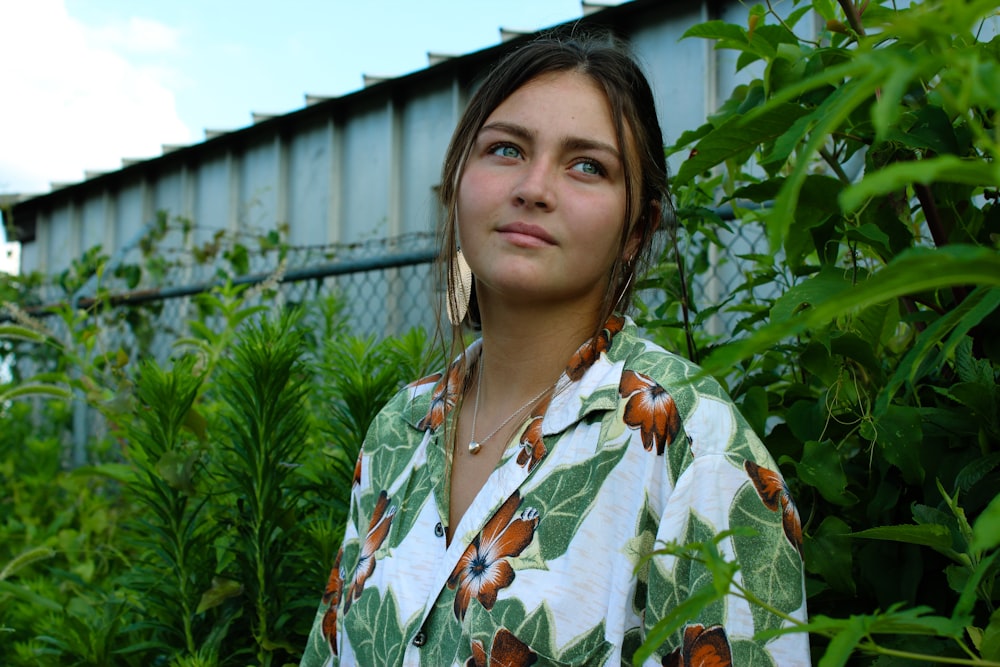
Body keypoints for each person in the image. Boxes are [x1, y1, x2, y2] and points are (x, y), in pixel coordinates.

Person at [301, 30, 810, 667]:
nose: (534, 187)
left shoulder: (696, 450)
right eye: (506, 149)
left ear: (637, 230)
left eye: (587, 165)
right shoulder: (398, 431)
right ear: (459, 184)